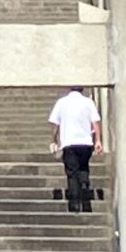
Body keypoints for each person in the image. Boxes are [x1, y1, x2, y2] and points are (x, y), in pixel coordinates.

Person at [50, 85, 104, 213]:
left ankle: (74, 202)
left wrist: (54, 140)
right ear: (82, 89)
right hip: (85, 142)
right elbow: (96, 121)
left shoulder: (62, 103)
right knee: (83, 165)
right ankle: (84, 184)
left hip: (69, 142)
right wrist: (98, 140)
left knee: (72, 172)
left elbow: (55, 124)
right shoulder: (88, 102)